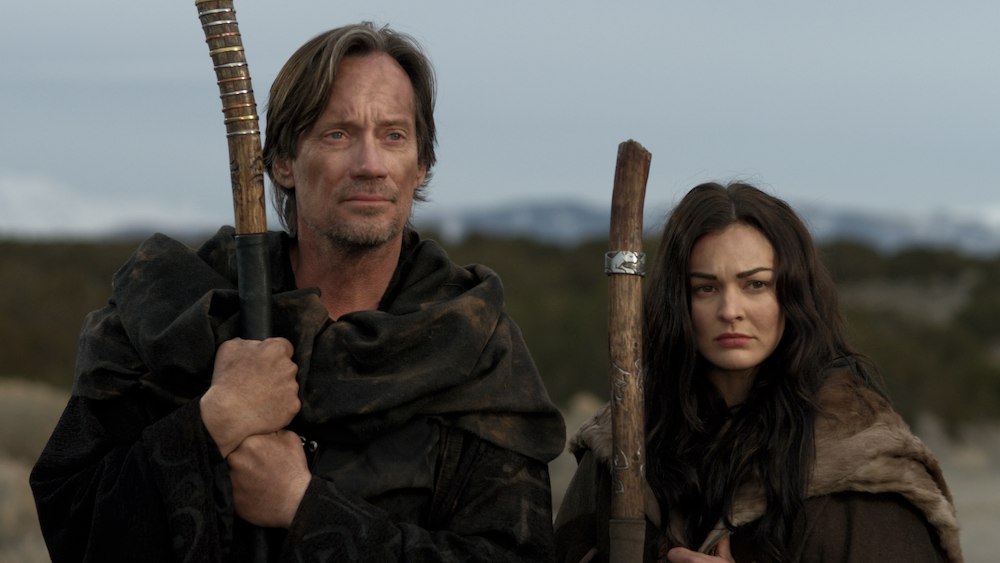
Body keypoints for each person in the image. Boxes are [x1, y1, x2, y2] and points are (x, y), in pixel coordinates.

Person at [30, 22, 565, 562]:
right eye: (338, 135)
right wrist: (212, 424)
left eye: (394, 136)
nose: (370, 165)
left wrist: (305, 508)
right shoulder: (174, 312)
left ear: (421, 166)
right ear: (284, 162)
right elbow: (71, 522)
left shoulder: (471, 342)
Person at [554, 183, 962, 562]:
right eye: (706, 288)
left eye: (755, 285)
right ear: (680, 303)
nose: (730, 310)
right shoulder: (626, 440)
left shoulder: (859, 460)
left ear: (793, 294)